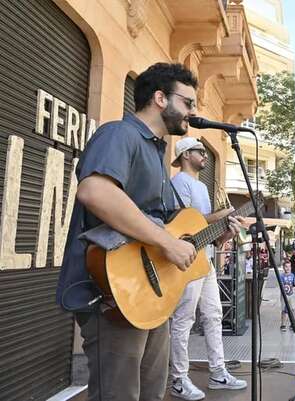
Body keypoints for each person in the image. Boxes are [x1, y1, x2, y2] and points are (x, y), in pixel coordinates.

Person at [56, 63, 202, 401]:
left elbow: (166, 224)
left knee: (151, 393)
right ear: (160, 98)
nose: (193, 113)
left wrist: (213, 233)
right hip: (111, 294)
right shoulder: (119, 134)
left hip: (149, 296)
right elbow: (94, 191)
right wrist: (167, 242)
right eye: (188, 102)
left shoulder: (156, 151)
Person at [169, 136, 246, 400]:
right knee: (183, 320)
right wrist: (222, 215)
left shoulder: (202, 187)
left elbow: (208, 234)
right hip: (187, 261)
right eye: (199, 151)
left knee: (214, 315)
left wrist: (227, 233)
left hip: (205, 259)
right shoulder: (179, 182)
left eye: (204, 150)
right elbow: (185, 223)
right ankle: (178, 379)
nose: (204, 155)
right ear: (185, 155)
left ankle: (218, 372)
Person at [279, 258, 295, 331]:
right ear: (283, 267)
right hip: (284, 295)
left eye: (289, 266)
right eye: (286, 266)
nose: (288, 268)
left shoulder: (292, 275)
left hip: (291, 295)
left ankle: (292, 323)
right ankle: (283, 325)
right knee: (284, 310)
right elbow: (281, 285)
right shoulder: (281, 276)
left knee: (292, 309)